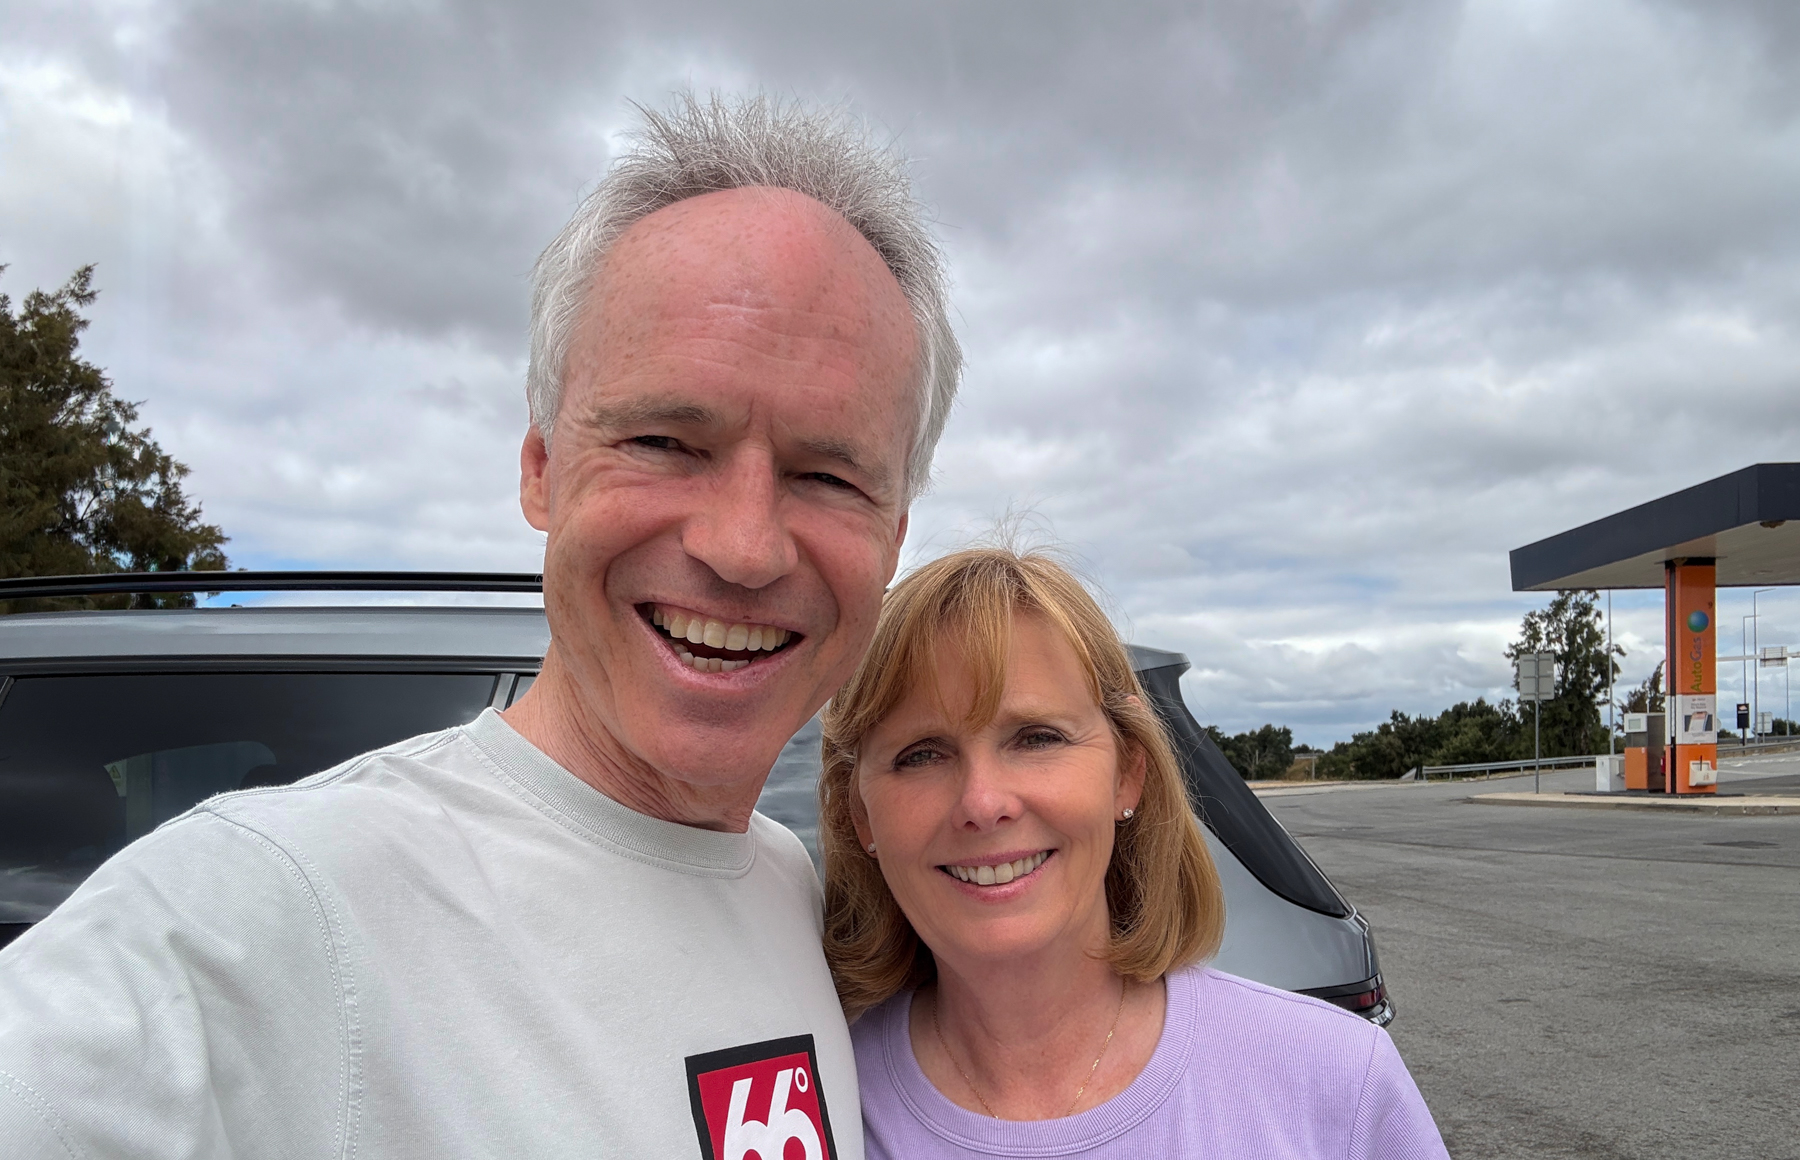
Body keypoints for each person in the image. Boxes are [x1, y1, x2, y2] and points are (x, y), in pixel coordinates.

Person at [0, 93, 961, 1159]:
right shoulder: (253, 914)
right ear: (542, 469)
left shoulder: (790, 889)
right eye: (663, 442)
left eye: (828, 476)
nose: (743, 546)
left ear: (892, 537)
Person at [818, 547, 1450, 1158]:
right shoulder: (813, 1104)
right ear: (860, 816)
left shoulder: (1341, 1081)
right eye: (921, 754)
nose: (983, 802)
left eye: (1037, 738)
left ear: (1128, 773)